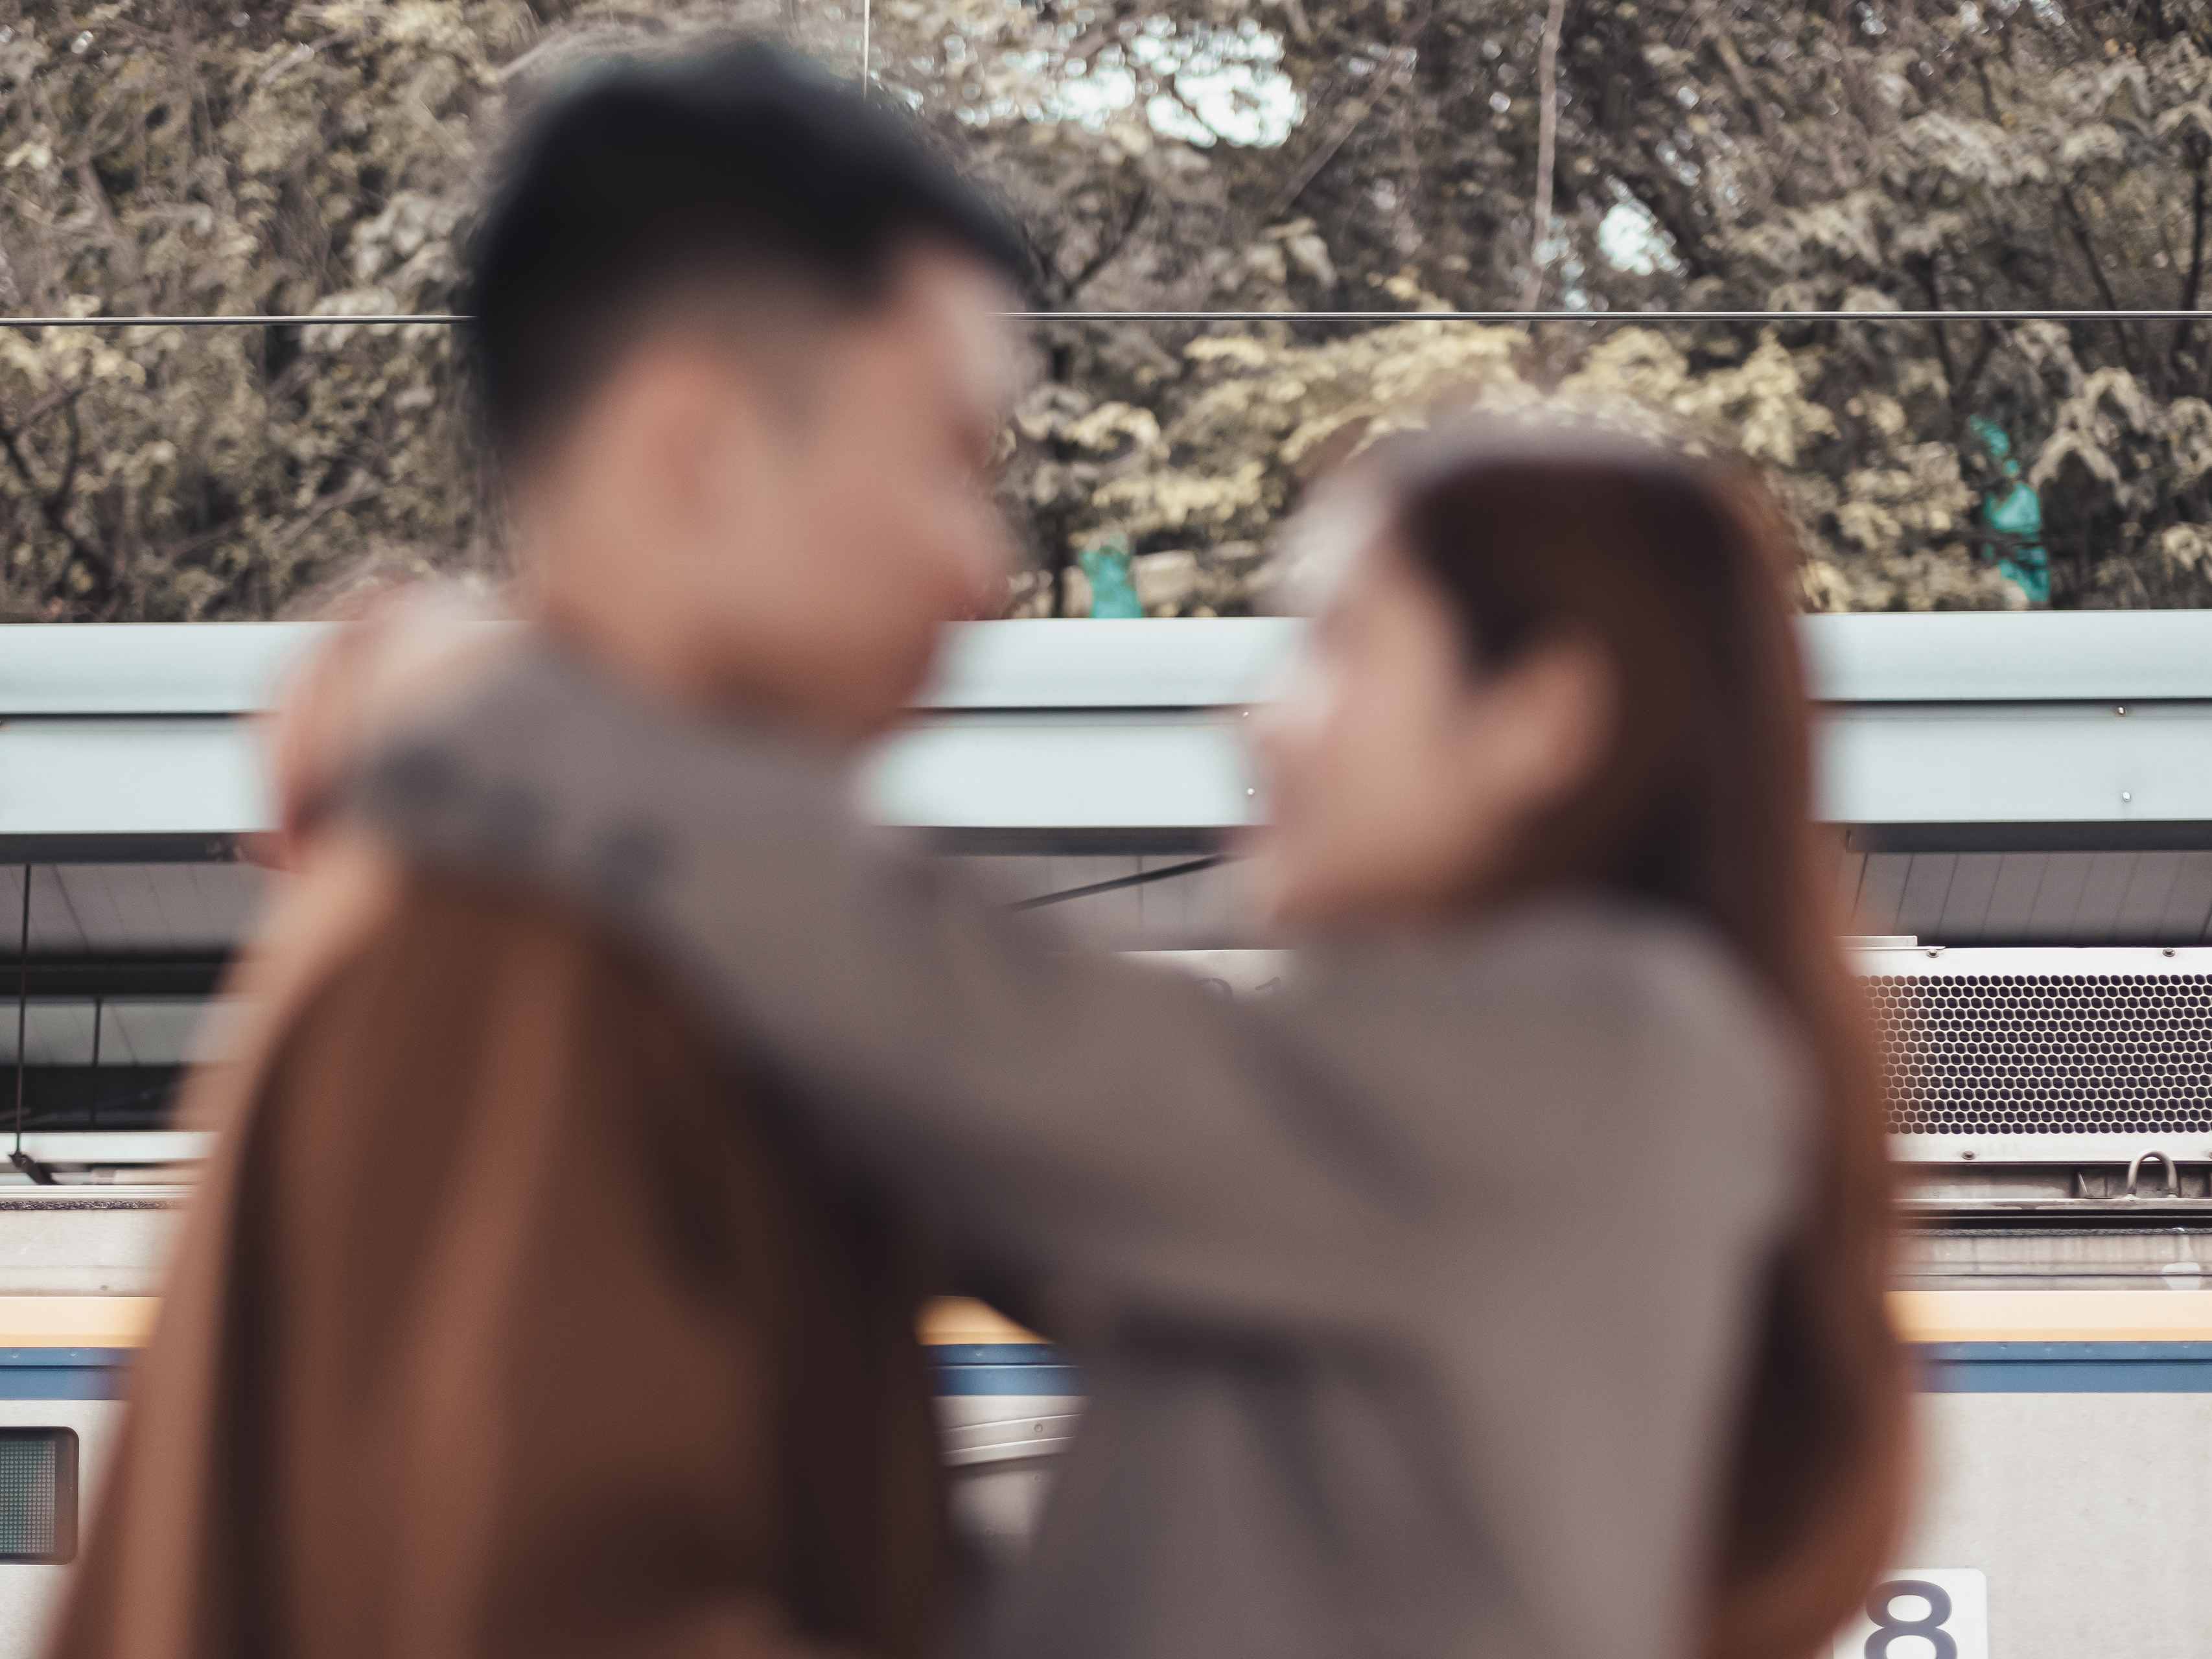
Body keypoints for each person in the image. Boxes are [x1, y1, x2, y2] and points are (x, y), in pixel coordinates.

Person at [336, 422, 1913, 1659]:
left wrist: (495, 708)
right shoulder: (1469, 1108)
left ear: (1542, 714)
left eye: (1339, 641)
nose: (1260, 717)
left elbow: (975, 1028)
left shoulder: (1607, 1050)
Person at [47, 45, 1029, 1659]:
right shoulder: (533, 944)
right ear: (696, 443)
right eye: (950, 459)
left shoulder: (570, 906)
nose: (984, 570)